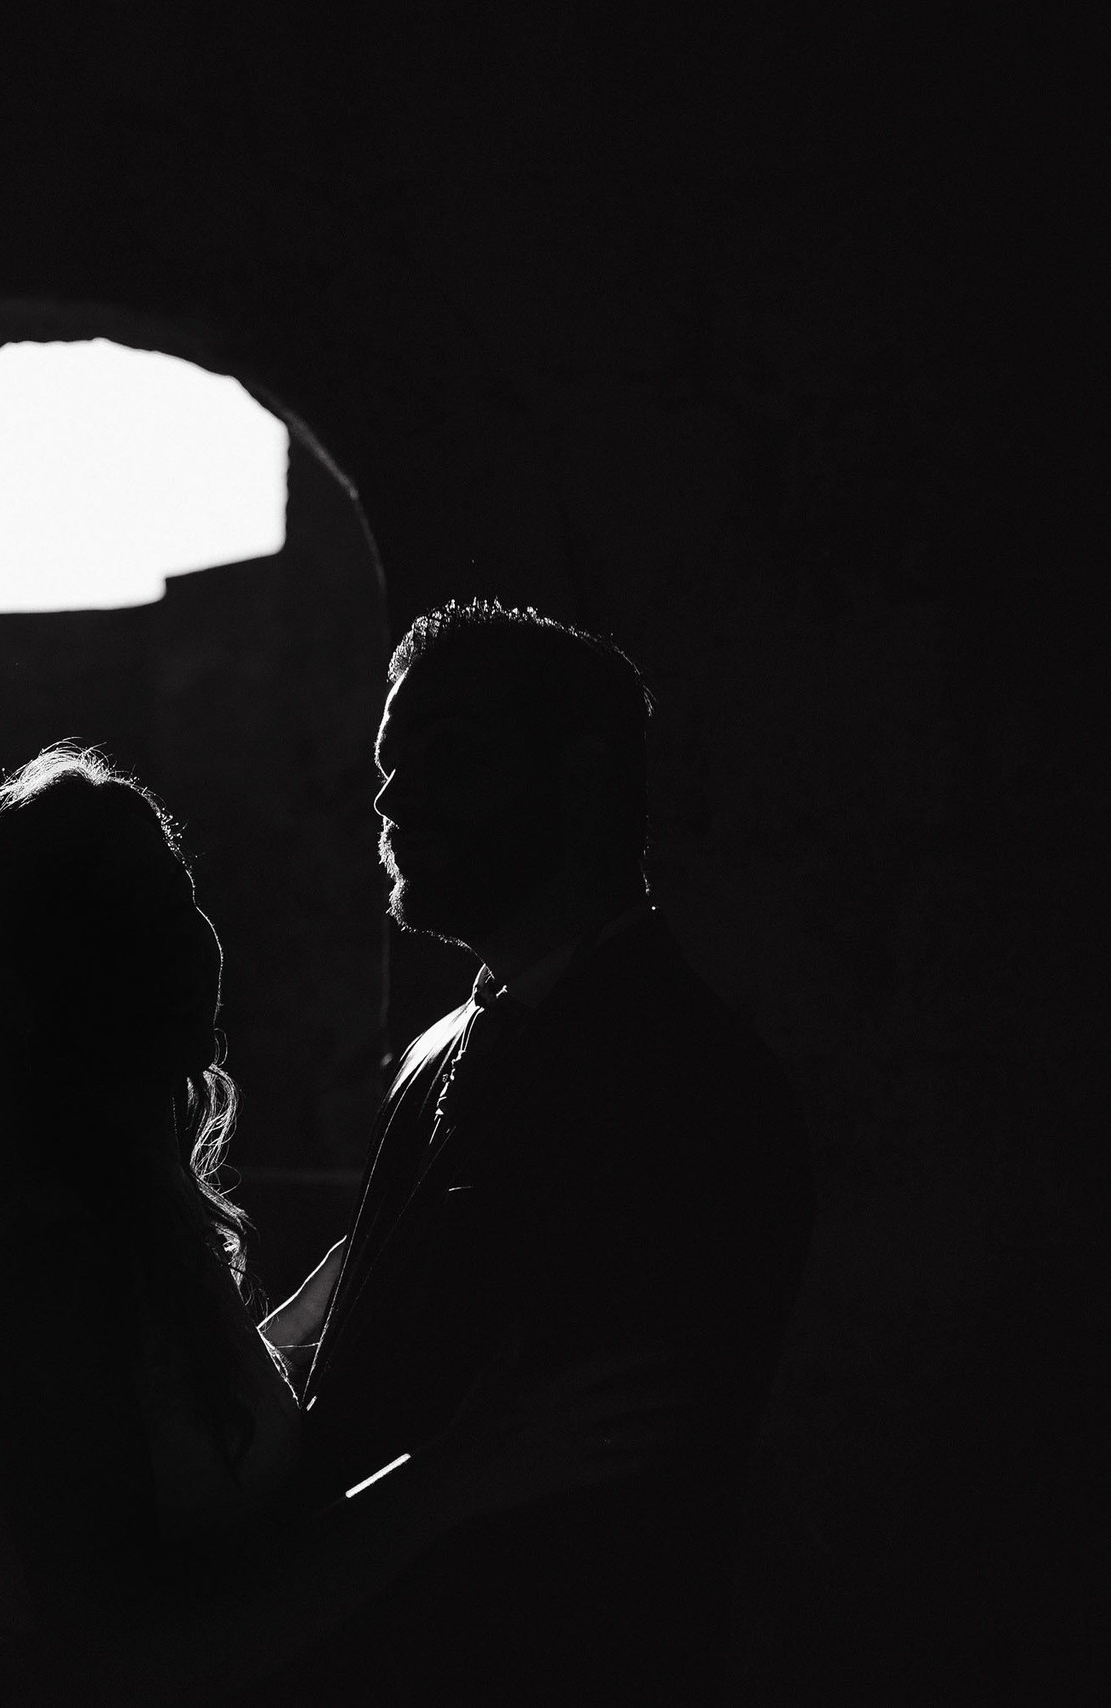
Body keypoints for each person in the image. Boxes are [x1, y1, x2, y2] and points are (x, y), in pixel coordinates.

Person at [0, 742, 690, 1708]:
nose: (200, 940)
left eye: (186, 897)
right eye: (148, 917)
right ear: (60, 978)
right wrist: (450, 1481)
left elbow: (153, 1451)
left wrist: (278, 1335)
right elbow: (138, 1652)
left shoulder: (116, 1211)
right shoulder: (39, 1252)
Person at [266, 600, 816, 1704]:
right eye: (388, 760)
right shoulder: (433, 1054)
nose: (391, 796)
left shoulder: (698, 1088)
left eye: (450, 756)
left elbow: (613, 1502)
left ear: (579, 777)